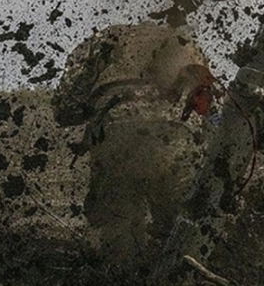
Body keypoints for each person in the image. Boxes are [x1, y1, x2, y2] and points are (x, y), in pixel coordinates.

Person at [51, 22, 220, 277]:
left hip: (116, 130)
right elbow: (210, 107)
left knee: (117, 231)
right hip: (176, 134)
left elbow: (65, 107)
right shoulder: (183, 41)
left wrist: (94, 106)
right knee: (185, 227)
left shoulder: (104, 40)